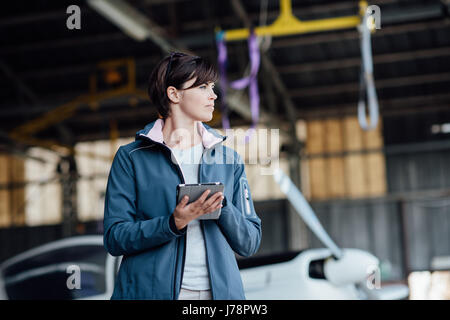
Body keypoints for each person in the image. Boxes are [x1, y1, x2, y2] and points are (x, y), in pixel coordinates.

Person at [103, 52, 262, 300]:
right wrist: (171, 223)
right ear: (174, 94)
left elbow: (249, 242)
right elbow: (115, 237)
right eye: (202, 87)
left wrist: (222, 206)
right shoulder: (131, 158)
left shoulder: (229, 161)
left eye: (212, 86)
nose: (213, 95)